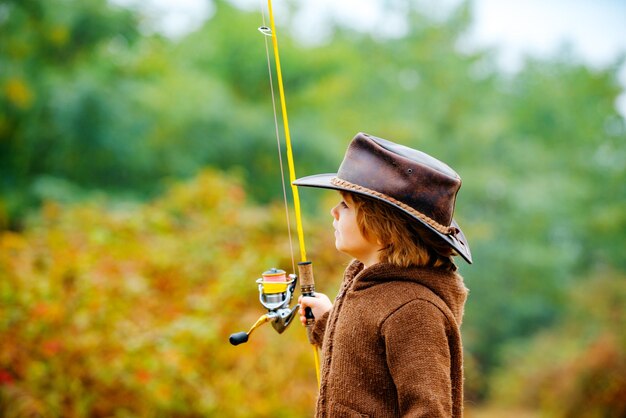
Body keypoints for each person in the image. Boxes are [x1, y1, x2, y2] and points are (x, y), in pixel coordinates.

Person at [293, 132, 472, 418]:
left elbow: (429, 411)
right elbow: (369, 361)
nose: (333, 211)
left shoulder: (414, 311)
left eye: (346, 205)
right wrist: (328, 320)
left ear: (382, 228)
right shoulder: (368, 285)